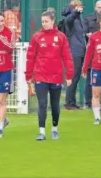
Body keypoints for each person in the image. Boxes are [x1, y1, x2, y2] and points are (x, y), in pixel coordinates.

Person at [25, 10, 74, 141]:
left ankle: (54, 128)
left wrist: (69, 75)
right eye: (43, 22)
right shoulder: (36, 37)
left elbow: (67, 57)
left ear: (53, 21)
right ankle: (41, 132)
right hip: (40, 75)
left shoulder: (61, 37)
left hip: (56, 76)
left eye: (46, 21)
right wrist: (28, 76)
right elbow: (30, 57)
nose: (44, 24)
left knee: (55, 104)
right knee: (42, 103)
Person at [61, 0, 87, 110]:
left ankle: (72, 101)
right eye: (78, 7)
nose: (81, 9)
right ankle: (69, 102)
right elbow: (69, 20)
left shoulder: (78, 19)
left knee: (76, 78)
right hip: (74, 51)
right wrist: (75, 12)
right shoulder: (70, 18)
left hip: (80, 50)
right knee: (73, 77)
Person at [82, 0, 101, 111]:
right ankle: (88, 102)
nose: (100, 9)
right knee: (90, 79)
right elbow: (84, 32)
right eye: (99, 7)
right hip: (93, 51)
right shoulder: (88, 19)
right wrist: (89, 35)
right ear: (95, 7)